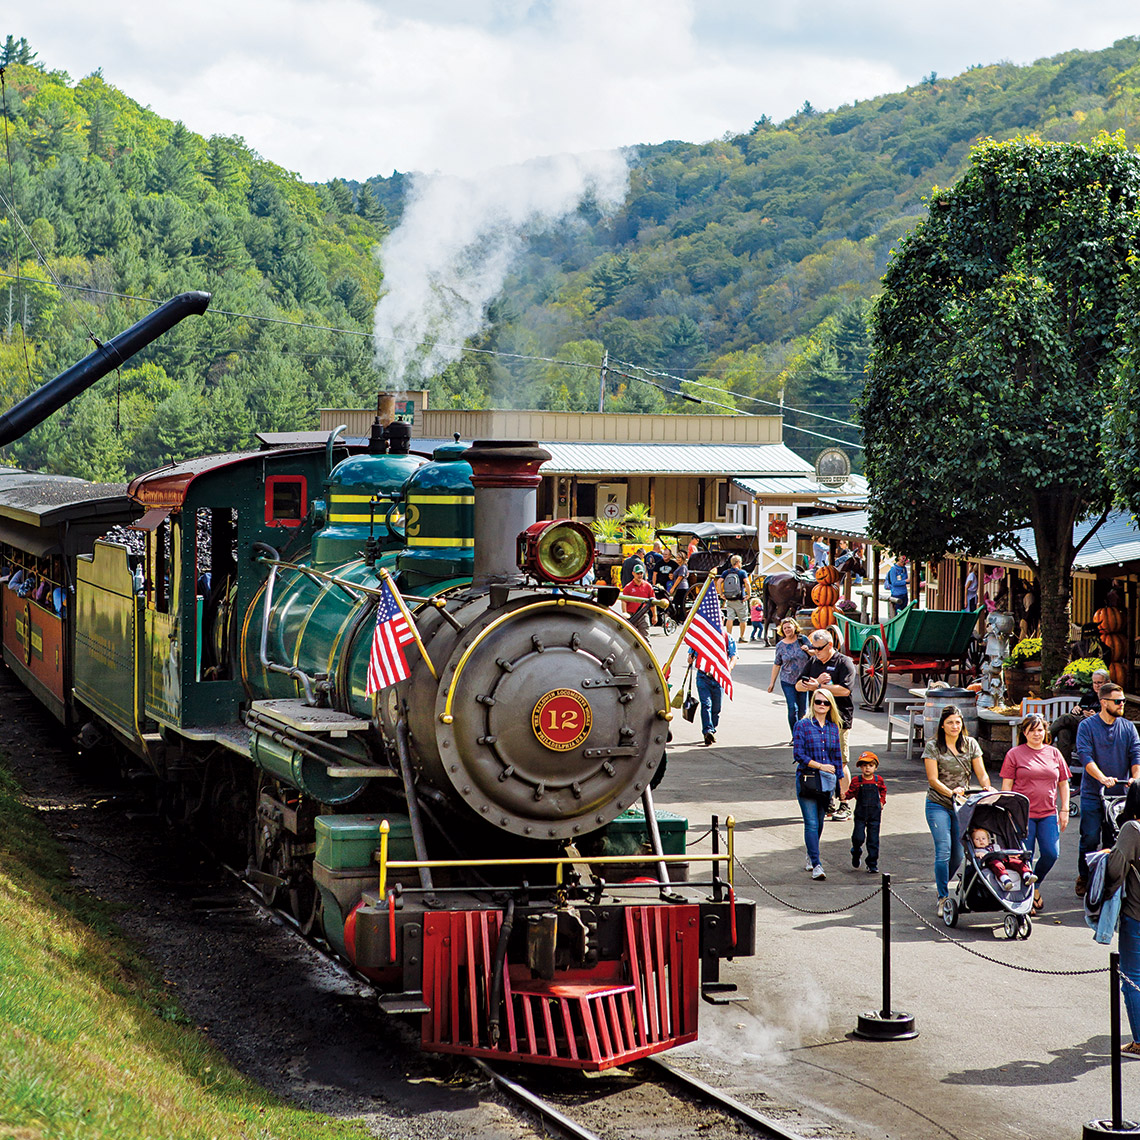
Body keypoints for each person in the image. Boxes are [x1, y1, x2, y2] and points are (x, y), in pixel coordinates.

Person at [923, 704, 993, 917]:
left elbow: (981, 773)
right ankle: (942, 896)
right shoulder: (934, 746)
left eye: (958, 722)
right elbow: (933, 779)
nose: (954, 726)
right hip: (939, 803)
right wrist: (952, 793)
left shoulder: (970, 744)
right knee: (943, 849)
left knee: (957, 854)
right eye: (950, 722)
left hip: (962, 805)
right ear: (942, 725)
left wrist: (987, 786)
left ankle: (943, 881)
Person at [1000, 713, 1070, 913]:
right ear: (1024, 733)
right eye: (1032, 730)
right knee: (1024, 857)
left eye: (1040, 729)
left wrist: (1064, 808)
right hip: (1023, 815)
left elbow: (1063, 783)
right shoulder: (1014, 754)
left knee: (1051, 853)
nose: (1036, 734)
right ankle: (1026, 897)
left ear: (1045, 731)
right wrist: (1008, 814)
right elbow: (1007, 787)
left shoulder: (1054, 753)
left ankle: (1035, 884)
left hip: (1048, 812)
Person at [1075, 682, 1140, 896]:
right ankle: (1085, 877)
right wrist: (1102, 778)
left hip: (1121, 795)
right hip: (1094, 793)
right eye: (1118, 701)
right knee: (1090, 837)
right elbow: (1085, 756)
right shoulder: (1087, 726)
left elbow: (1136, 755)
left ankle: (1110, 882)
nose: (1122, 704)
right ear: (1103, 703)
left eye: (1123, 701)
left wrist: (1135, 779)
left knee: (1114, 840)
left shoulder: (1128, 727)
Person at [795, 629, 855, 819]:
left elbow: (845, 690)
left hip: (838, 719)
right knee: (819, 760)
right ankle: (827, 798)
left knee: (840, 761)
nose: (815, 652)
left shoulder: (843, 662)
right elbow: (798, 685)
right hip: (815, 721)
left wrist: (819, 687)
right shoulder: (813, 662)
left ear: (829, 646)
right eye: (813, 648)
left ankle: (844, 802)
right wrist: (809, 685)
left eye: (819, 649)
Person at [1103, 782, 1140, 1055]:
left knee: (1132, 977)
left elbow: (1116, 870)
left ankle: (1139, 1040)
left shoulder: (1132, 829)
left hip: (1136, 914)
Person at [793, 688, 844, 880]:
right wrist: (821, 765)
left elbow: (837, 758)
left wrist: (841, 787)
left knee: (820, 822)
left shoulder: (833, 727)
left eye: (825, 703)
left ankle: (810, 853)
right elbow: (798, 755)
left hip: (827, 783)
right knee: (811, 823)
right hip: (807, 779)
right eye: (818, 702)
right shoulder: (802, 725)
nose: (821, 706)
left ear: (830, 705)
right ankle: (817, 864)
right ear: (812, 703)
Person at [689, 635, 736, 746]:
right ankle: (707, 731)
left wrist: (728, 669)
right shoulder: (702, 634)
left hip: (718, 677)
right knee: (706, 704)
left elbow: (734, 656)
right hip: (703, 676)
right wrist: (691, 657)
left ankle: (711, 728)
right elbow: (691, 656)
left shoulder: (727, 638)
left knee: (716, 708)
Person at [767, 617, 809, 741]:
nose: (787, 630)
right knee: (793, 708)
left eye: (789, 627)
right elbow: (777, 664)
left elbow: (815, 654)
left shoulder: (803, 640)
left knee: (803, 709)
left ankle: (802, 735)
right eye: (784, 628)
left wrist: (809, 650)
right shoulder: (780, 645)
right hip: (787, 680)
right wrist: (772, 683)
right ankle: (795, 736)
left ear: (795, 627)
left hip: (803, 680)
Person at [846, 751, 886, 873]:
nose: (867, 768)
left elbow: (883, 791)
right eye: (864, 765)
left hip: (875, 813)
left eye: (870, 765)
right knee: (858, 837)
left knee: (873, 840)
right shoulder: (856, 780)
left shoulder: (878, 780)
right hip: (860, 813)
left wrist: (882, 801)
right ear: (860, 767)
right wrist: (844, 796)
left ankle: (872, 863)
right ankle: (856, 851)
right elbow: (851, 792)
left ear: (875, 767)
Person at [969, 826, 1036, 891]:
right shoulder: (978, 850)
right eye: (977, 839)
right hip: (992, 863)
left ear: (988, 839)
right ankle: (1006, 880)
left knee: (1017, 862)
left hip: (1005, 860)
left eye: (983, 838)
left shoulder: (995, 846)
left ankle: (1027, 875)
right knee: (998, 865)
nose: (981, 841)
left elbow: (1004, 852)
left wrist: (1013, 855)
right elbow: (976, 855)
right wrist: (978, 854)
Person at [718, 554, 751, 644]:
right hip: (740, 599)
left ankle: (728, 637)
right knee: (743, 619)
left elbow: (719, 582)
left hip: (729, 599)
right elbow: (747, 583)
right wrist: (749, 594)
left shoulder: (726, 572)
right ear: (738, 562)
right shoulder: (742, 572)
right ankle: (741, 637)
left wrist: (721, 594)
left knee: (730, 618)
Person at [618, 563, 655, 638]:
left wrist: (655, 615)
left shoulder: (648, 586)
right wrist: (625, 613)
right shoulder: (628, 587)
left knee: (645, 636)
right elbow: (624, 601)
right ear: (633, 573)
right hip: (631, 615)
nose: (640, 575)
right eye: (637, 573)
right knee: (629, 637)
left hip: (643, 614)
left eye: (641, 573)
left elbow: (653, 601)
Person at [667, 550, 690, 619]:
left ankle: (680, 618)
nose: (677, 559)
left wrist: (673, 588)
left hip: (682, 588)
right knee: (678, 603)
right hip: (679, 588)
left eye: (679, 558)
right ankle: (678, 618)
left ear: (682, 558)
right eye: (676, 557)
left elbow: (680, 578)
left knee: (678, 603)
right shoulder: (679, 567)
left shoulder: (683, 567)